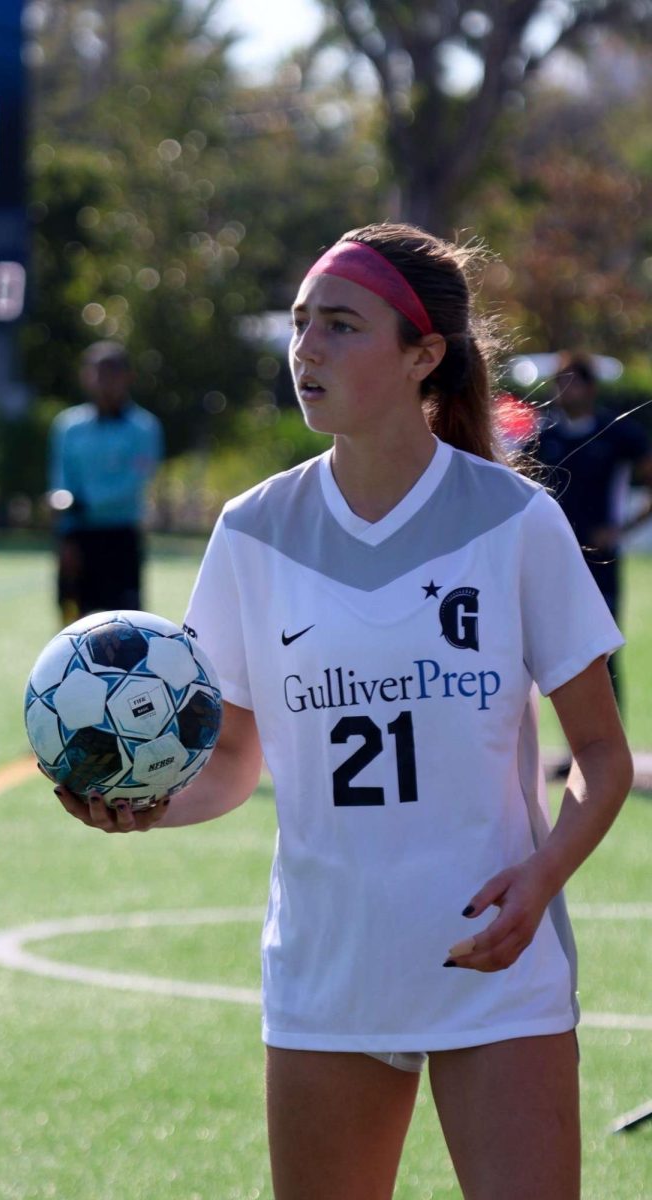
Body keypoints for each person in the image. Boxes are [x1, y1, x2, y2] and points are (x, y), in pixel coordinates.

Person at [51, 223, 633, 1200]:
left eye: (339, 325)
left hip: (492, 972)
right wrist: (149, 803)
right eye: (297, 324)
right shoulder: (252, 532)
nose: (304, 349)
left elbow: (600, 757)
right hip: (326, 969)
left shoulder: (512, 521)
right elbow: (232, 763)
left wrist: (539, 879)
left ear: (422, 356)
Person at [534, 352, 652, 712]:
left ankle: (612, 750)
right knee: (557, 655)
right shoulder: (544, 436)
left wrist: (622, 530)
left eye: (573, 380)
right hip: (553, 559)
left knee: (603, 650)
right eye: (560, 381)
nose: (564, 389)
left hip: (600, 559)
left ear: (590, 386)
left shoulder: (615, 432)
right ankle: (574, 751)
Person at [47, 341, 163, 625]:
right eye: (97, 373)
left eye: (111, 374)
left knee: (125, 624)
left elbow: (135, 481)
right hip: (77, 536)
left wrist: (87, 502)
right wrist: (65, 528)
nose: (103, 382)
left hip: (120, 537)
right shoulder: (68, 426)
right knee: (71, 620)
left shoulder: (144, 427)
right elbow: (61, 478)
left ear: (127, 377)